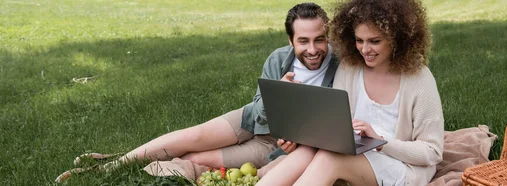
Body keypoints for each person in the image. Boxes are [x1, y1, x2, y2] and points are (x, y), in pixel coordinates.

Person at [55, 2, 338, 182]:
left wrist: (295, 139)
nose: (312, 50)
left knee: (195, 157)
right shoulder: (279, 58)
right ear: (291, 40)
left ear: (328, 37)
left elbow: (331, 127)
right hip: (254, 120)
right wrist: (281, 95)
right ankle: (110, 165)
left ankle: (142, 163)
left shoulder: (339, 66)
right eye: (303, 41)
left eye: (319, 40)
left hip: (276, 145)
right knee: (193, 136)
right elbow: (258, 106)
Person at [257, 0, 444, 185]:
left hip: (402, 164)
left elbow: (432, 152)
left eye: (375, 41)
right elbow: (333, 127)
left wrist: (381, 141)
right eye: (359, 40)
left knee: (329, 159)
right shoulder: (350, 68)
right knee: (308, 151)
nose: (365, 49)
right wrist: (299, 138)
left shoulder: (419, 78)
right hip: (355, 154)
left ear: (396, 38)